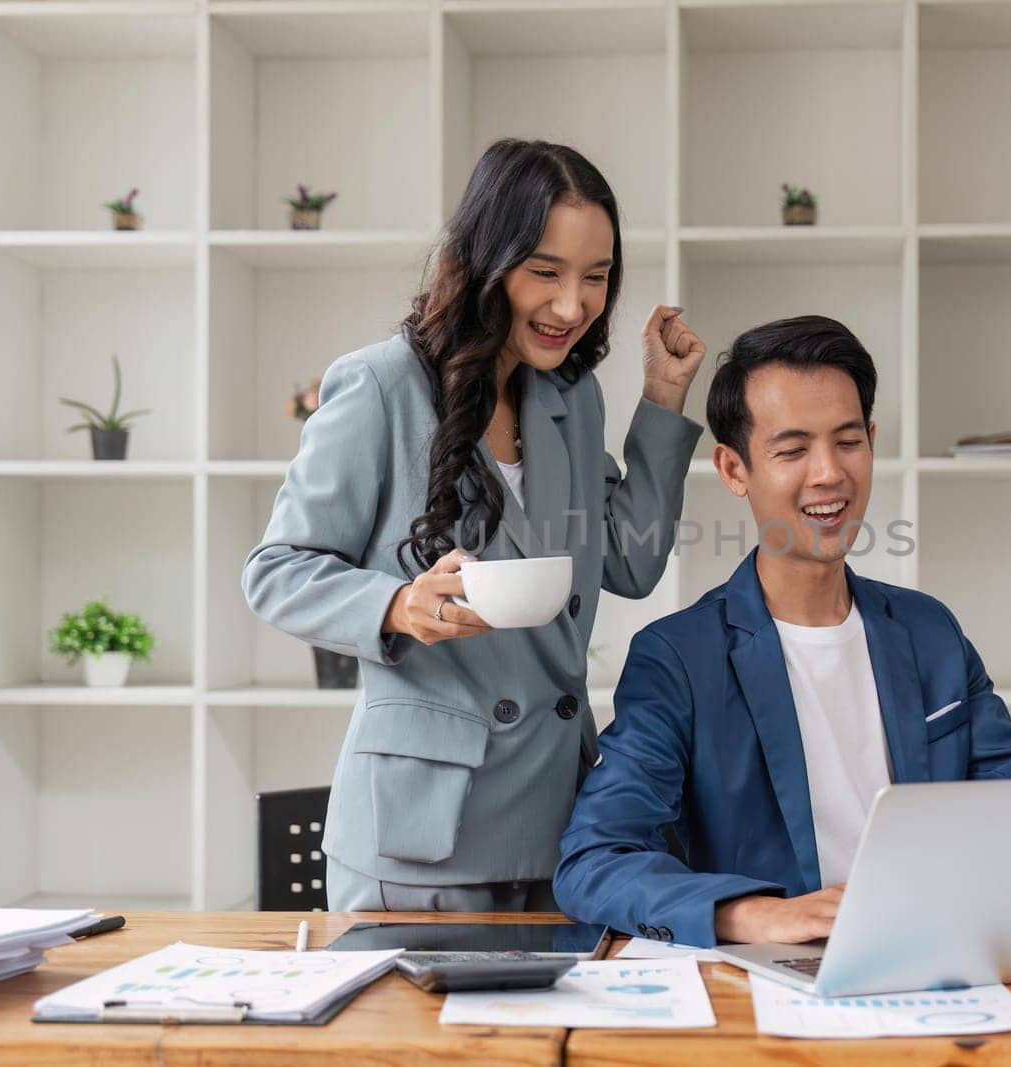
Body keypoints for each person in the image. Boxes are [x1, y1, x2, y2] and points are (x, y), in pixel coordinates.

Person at [554, 315, 1011, 947]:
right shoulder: (680, 658)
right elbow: (595, 861)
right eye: (791, 451)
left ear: (870, 439)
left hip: (938, 962)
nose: (829, 474)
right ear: (733, 469)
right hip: (781, 988)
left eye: (847, 441)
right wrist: (756, 914)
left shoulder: (927, 632)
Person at [243, 139, 706, 912]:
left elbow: (629, 562)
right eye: (546, 271)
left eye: (596, 277)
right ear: (489, 260)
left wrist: (661, 398)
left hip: (561, 822)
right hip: (424, 837)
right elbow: (276, 569)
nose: (572, 305)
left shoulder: (570, 396)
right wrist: (395, 606)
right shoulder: (381, 385)